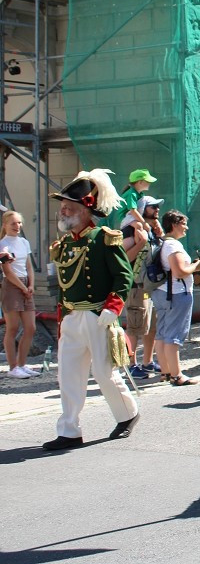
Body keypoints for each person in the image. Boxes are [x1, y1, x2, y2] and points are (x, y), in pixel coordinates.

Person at [44, 169, 138, 450]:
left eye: (69, 207)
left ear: (85, 209)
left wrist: (113, 306)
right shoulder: (63, 246)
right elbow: (64, 285)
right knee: (68, 374)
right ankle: (69, 429)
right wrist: (63, 318)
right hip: (72, 317)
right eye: (63, 206)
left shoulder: (104, 238)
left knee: (104, 372)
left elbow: (124, 276)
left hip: (99, 315)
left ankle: (128, 413)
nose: (63, 211)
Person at [151, 210, 200, 386]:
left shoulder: (161, 242)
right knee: (174, 335)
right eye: (183, 224)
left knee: (162, 333)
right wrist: (195, 266)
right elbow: (179, 271)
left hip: (161, 292)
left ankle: (165, 372)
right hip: (176, 294)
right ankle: (177, 375)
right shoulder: (173, 246)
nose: (186, 227)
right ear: (174, 225)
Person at [121, 195, 164, 379]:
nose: (157, 210)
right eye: (153, 206)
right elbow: (124, 258)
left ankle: (147, 362)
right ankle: (130, 365)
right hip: (135, 285)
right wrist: (140, 242)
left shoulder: (152, 230)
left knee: (151, 327)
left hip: (150, 285)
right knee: (135, 327)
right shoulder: (130, 231)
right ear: (143, 208)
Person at [1, 210, 37, 378]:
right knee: (13, 327)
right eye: (13, 223)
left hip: (25, 284)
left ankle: (22, 364)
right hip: (12, 285)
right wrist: (23, 287)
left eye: (19, 223)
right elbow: (7, 271)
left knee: (30, 327)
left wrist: (31, 285)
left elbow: (29, 266)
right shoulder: (3, 244)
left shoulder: (24, 242)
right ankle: (13, 367)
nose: (17, 226)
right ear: (5, 225)